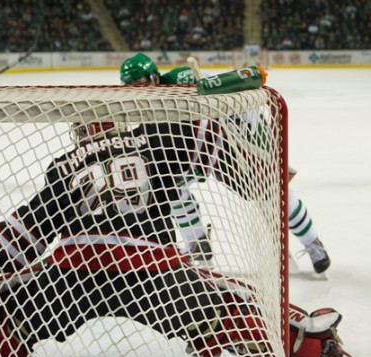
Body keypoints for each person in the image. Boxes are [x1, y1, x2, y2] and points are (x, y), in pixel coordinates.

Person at [0, 117, 352, 357]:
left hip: (72, 270)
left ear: (81, 132)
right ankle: (303, 342)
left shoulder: (63, 165)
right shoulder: (159, 135)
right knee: (226, 305)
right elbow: (212, 145)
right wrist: (258, 165)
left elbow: (20, 238)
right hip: (153, 268)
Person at [119, 53, 331, 274]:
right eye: (131, 86)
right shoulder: (141, 107)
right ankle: (198, 242)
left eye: (141, 83)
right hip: (191, 154)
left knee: (271, 192)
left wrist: (251, 131)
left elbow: (226, 89)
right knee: (168, 185)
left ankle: (313, 243)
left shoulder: (181, 77)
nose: (138, 90)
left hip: (225, 146)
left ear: (154, 77)